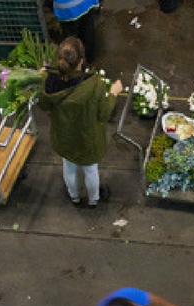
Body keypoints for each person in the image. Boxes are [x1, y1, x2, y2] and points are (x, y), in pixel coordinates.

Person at [39, 37, 122, 208]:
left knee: (69, 167)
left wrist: (41, 78)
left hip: (64, 136)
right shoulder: (93, 84)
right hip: (87, 139)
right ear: (81, 60)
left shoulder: (49, 80)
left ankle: (74, 196)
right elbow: (104, 114)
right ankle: (93, 200)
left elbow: (44, 104)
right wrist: (113, 93)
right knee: (90, 169)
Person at [53, 0, 99, 64]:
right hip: (85, 4)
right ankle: (89, 59)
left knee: (71, 40)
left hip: (67, 10)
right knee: (88, 31)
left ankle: (74, 64)